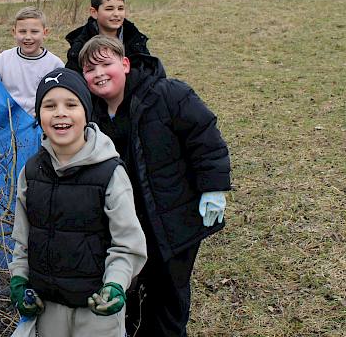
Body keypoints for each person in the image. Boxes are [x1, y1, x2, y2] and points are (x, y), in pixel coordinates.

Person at [78, 35, 231, 336]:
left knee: (167, 302)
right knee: (131, 301)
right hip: (125, 226)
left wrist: (213, 188)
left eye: (106, 64)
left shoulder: (168, 95)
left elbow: (204, 138)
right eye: (90, 69)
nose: (99, 74)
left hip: (173, 224)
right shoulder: (89, 115)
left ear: (125, 64)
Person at [8, 69, 147, 337]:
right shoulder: (31, 172)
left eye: (71, 104)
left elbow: (128, 245)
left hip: (96, 311)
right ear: (39, 116)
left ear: (86, 113)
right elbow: (23, 241)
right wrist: (19, 280)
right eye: (49, 106)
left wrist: (115, 285)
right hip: (47, 308)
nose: (60, 113)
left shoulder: (110, 173)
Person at [0, 6, 65, 118]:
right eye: (22, 31)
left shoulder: (55, 65)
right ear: (14, 32)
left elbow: (60, 98)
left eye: (34, 32)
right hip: (7, 121)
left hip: (40, 122)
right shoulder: (2, 60)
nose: (28, 37)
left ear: (45, 33)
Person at [64, 0, 150, 73]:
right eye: (109, 9)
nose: (116, 14)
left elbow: (149, 72)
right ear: (94, 12)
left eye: (120, 8)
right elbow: (72, 80)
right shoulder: (80, 47)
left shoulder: (135, 40)